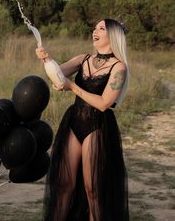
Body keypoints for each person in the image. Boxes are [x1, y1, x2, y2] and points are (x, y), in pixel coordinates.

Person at [35, 18, 130, 221]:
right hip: (74, 121)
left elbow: (104, 103)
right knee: (64, 185)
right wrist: (46, 59)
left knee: (93, 189)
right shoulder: (83, 59)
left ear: (112, 36)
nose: (95, 30)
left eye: (101, 28)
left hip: (98, 126)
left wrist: (72, 87)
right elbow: (58, 75)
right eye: (94, 27)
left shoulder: (119, 67)